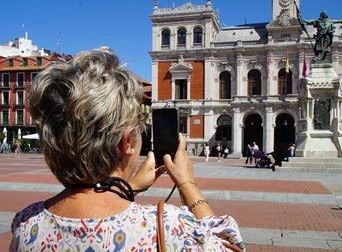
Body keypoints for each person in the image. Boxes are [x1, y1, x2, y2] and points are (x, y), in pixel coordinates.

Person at [9, 47, 245, 251]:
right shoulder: (167, 226)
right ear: (126, 142)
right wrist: (187, 184)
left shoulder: (26, 224)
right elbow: (230, 245)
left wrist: (127, 188)